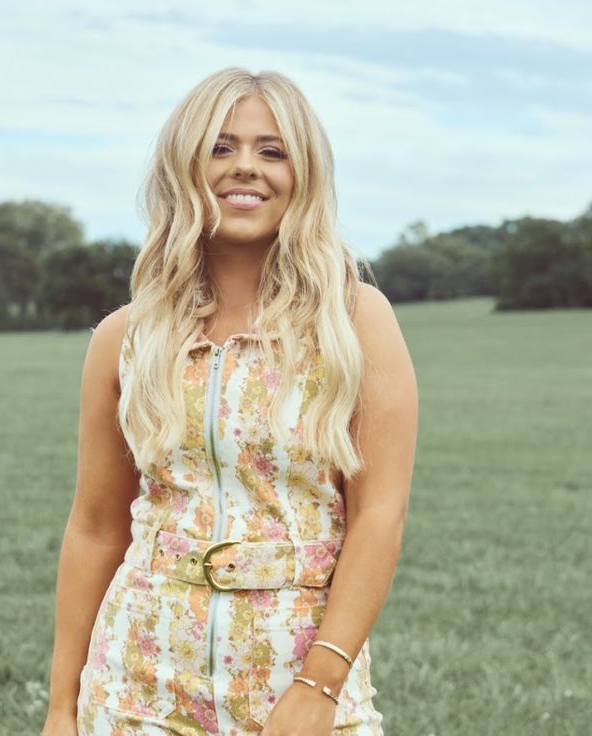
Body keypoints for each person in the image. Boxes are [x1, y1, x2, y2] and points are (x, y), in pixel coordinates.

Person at [41, 66, 418, 736]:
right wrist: (63, 708)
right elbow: (96, 527)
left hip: (295, 687)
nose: (246, 167)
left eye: (272, 150)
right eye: (221, 147)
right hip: (137, 688)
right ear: (183, 167)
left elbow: (379, 515)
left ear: (303, 173)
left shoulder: (357, 321)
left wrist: (319, 685)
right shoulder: (124, 338)